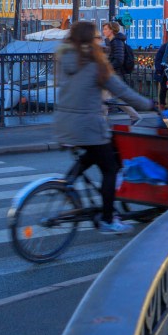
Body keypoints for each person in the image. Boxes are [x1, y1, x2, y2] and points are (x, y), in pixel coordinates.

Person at [56, 21, 157, 233]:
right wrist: (149, 104)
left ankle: (67, 182)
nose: (100, 40)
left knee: (94, 153)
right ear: (90, 40)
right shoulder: (96, 64)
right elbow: (123, 91)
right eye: (97, 37)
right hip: (89, 125)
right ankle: (108, 219)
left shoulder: (65, 59)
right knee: (110, 167)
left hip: (64, 124)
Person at [152, 30, 168, 107]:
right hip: (165, 69)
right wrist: (159, 69)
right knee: (163, 88)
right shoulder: (166, 46)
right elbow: (158, 58)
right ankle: (162, 105)